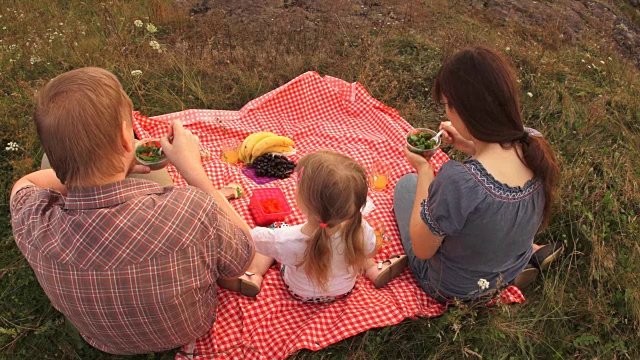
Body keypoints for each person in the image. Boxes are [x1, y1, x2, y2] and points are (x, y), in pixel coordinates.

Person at [9, 67, 255, 355]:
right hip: (191, 326)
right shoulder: (191, 206)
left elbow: (23, 183)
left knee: (43, 162)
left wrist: (77, 173)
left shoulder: (32, 219)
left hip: (104, 339)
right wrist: (194, 172)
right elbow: (244, 255)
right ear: (128, 141)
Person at [394, 46, 563, 303]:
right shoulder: (534, 143)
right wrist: (468, 143)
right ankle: (528, 256)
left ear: (462, 109)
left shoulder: (460, 181)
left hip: (451, 288)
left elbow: (422, 249)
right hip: (506, 269)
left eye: (448, 105)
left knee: (408, 185)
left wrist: (425, 169)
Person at [219, 150, 408, 302]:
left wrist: (220, 199)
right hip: (343, 290)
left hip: (299, 291)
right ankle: (373, 270)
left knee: (274, 230)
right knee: (355, 246)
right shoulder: (360, 228)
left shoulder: (287, 238)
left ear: (302, 201)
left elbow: (248, 238)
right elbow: (370, 249)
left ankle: (254, 275)